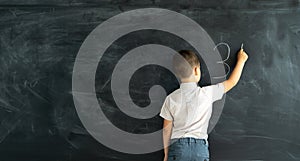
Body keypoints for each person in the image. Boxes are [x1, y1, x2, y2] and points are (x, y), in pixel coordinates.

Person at [160, 48, 248, 161]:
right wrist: (241, 60)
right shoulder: (207, 93)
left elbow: (166, 129)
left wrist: (166, 154)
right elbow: (232, 82)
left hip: (178, 148)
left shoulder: (171, 99)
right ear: (196, 70)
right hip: (199, 148)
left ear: (177, 74)